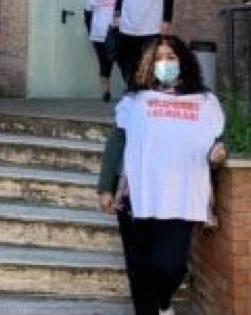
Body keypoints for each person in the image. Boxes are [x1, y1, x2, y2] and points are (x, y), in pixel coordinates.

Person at [97, 35, 226, 315]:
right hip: (135, 196)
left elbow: (213, 140)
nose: (164, 63)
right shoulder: (135, 100)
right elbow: (117, 141)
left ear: (183, 61)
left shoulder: (203, 102)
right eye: (157, 59)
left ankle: (164, 302)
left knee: (171, 265)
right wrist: (105, 186)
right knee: (139, 268)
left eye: (170, 57)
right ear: (147, 64)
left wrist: (216, 153)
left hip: (180, 197)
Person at [84, 0, 119, 102]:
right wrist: (90, 31)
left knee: (121, 60)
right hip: (98, 35)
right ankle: (106, 91)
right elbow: (87, 15)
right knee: (104, 62)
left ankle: (130, 89)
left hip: (116, 34)